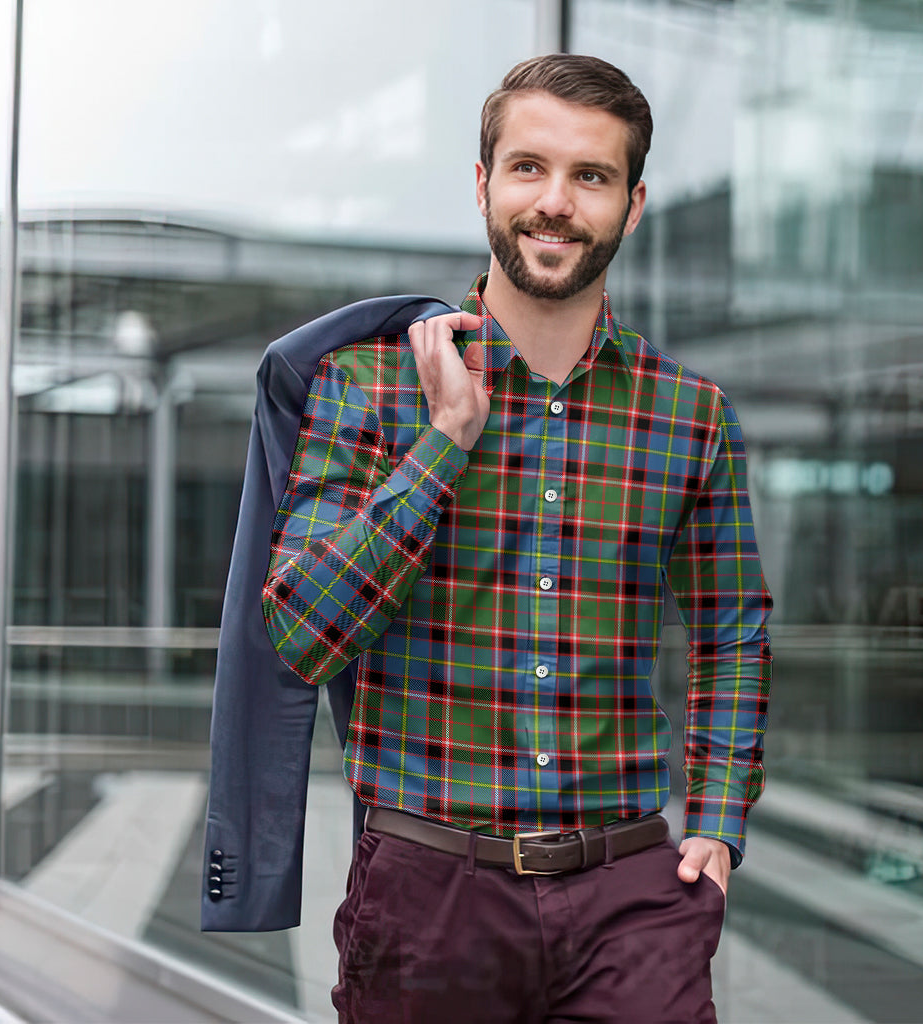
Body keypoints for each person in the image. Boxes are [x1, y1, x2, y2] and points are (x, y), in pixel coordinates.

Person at [261, 53, 772, 1023]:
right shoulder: (367, 389)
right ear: (484, 182)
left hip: (631, 897)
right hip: (428, 896)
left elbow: (731, 628)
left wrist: (715, 820)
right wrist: (445, 441)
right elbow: (299, 633)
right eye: (529, 167)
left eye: (592, 176)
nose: (556, 202)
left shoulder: (688, 414)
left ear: (634, 202)